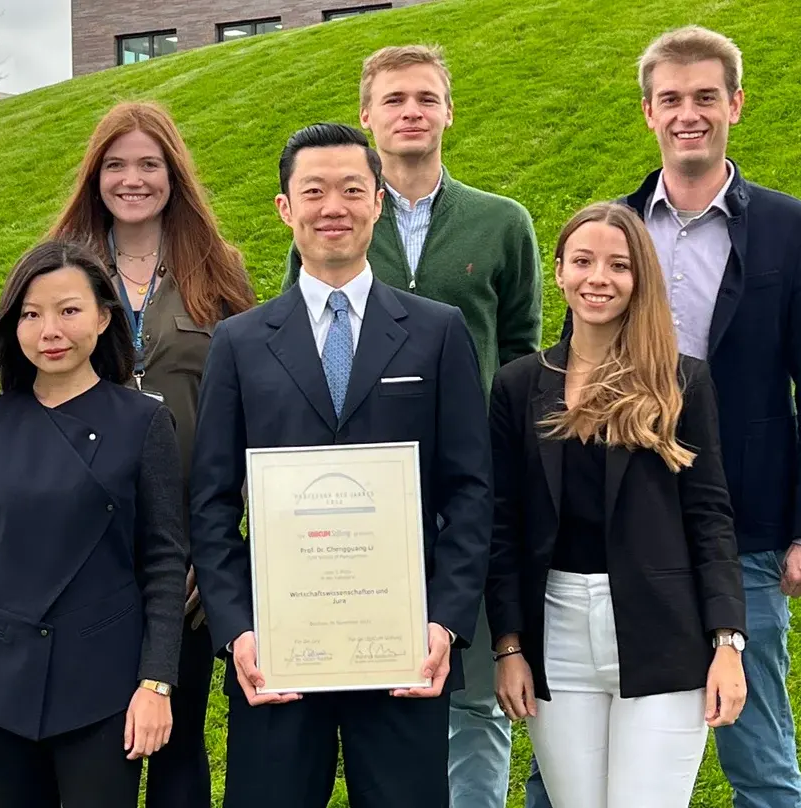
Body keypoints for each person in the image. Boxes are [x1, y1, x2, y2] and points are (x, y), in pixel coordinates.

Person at [530, 26, 801, 808]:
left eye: (704, 97)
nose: (688, 114)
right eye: (670, 99)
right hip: (610, 525)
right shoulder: (612, 230)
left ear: (734, 105)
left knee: (758, 747)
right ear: (647, 112)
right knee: (564, 766)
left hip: (737, 526)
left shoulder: (791, 230)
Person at [190, 122, 493, 808]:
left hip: (402, 647)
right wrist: (237, 627)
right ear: (283, 207)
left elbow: (471, 490)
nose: (334, 206)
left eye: (352, 189)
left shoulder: (437, 330)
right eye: (314, 191)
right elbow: (210, 502)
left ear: (378, 201)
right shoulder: (238, 343)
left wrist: (443, 620)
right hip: (277, 651)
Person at [278, 46, 543, 806]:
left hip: (471, 491)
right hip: (354, 502)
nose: (411, 112)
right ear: (367, 116)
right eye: (393, 99)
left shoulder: (501, 223)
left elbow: (522, 350)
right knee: (373, 682)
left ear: (448, 112)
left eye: (426, 97)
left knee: (473, 689)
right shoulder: (333, 217)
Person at [487, 202, 748, 807]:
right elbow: (503, 525)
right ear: (558, 272)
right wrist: (510, 647)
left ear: (640, 279)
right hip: (556, 636)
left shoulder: (681, 382)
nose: (598, 278)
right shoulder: (520, 385)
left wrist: (728, 643)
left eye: (618, 265)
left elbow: (710, 518)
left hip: (663, 631)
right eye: (582, 261)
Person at [0, 239, 188, 808]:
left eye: (68, 310)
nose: (50, 330)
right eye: (31, 314)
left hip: (105, 683)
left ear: (103, 316)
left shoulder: (144, 421)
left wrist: (155, 682)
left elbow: (165, 563)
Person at [47, 99, 257, 808]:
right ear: (93, 175)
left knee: (178, 738)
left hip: (188, 554)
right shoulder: (61, 267)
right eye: (115, 165)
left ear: (173, 174)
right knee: (93, 742)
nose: (132, 179)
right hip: (86, 550)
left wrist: (210, 547)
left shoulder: (219, 272)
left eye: (148, 164)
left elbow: (246, 417)